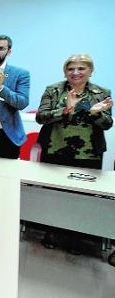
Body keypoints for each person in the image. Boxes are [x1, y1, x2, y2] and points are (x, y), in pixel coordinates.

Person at [35, 53, 112, 252]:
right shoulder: (54, 90)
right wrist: (65, 110)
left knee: (80, 197)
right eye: (71, 69)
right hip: (55, 149)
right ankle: (51, 231)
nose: (75, 73)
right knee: (53, 193)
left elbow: (107, 123)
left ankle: (75, 238)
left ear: (90, 70)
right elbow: (41, 117)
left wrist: (91, 111)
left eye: (81, 68)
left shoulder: (100, 92)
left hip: (88, 154)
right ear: (65, 71)